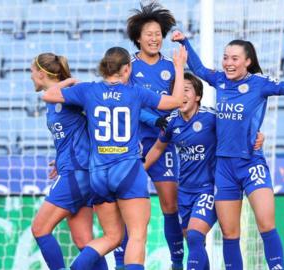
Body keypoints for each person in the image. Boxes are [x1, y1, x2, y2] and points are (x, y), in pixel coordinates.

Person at [172, 30, 284, 269]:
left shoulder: (260, 84)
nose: (228, 62)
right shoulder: (220, 80)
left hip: (251, 163)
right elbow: (200, 69)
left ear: (248, 61)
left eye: (235, 58)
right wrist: (184, 41)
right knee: (229, 233)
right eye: (226, 57)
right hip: (224, 168)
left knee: (266, 225)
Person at [42, 45, 187, 270]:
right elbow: (177, 101)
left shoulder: (89, 90)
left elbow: (49, 95)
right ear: (127, 69)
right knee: (137, 236)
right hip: (127, 170)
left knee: (112, 237)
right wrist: (178, 67)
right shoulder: (135, 92)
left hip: (99, 175)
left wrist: (68, 82)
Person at [144, 72, 264, 270]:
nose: (181, 95)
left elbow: (238, 129)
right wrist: (141, 170)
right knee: (195, 243)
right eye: (178, 91)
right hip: (184, 191)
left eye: (186, 90)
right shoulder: (172, 122)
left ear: (197, 96)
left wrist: (259, 137)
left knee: (194, 235)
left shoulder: (211, 118)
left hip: (208, 189)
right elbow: (157, 148)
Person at [118, 3, 184, 269]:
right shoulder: (128, 67)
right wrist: (154, 119)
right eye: (149, 34)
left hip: (163, 142)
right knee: (125, 206)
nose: (154, 38)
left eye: (158, 33)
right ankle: (120, 262)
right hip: (133, 142)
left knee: (170, 203)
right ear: (138, 37)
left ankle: (177, 262)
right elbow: (129, 104)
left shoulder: (171, 66)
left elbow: (180, 100)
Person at [30, 53, 108, 270]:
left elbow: (97, 117)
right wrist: (60, 158)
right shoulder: (55, 99)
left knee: (39, 229)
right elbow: (72, 132)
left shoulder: (67, 94)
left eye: (32, 72)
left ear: (42, 73)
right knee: (84, 241)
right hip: (75, 170)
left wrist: (69, 82)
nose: (30, 77)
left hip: (76, 173)